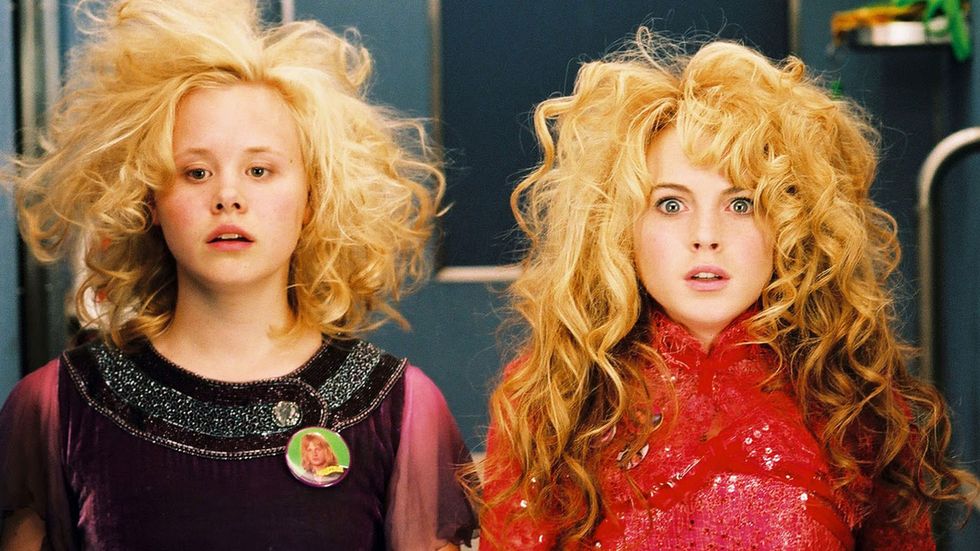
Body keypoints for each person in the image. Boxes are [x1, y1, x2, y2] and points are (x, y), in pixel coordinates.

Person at [0, 1, 476, 549]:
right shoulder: (52, 407)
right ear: (149, 200)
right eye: (196, 172)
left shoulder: (402, 410)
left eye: (259, 170)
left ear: (312, 198)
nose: (228, 196)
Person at [479, 32, 978, 549]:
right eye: (671, 204)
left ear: (790, 221)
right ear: (619, 224)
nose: (706, 236)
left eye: (741, 204)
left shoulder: (852, 392)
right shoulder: (553, 396)